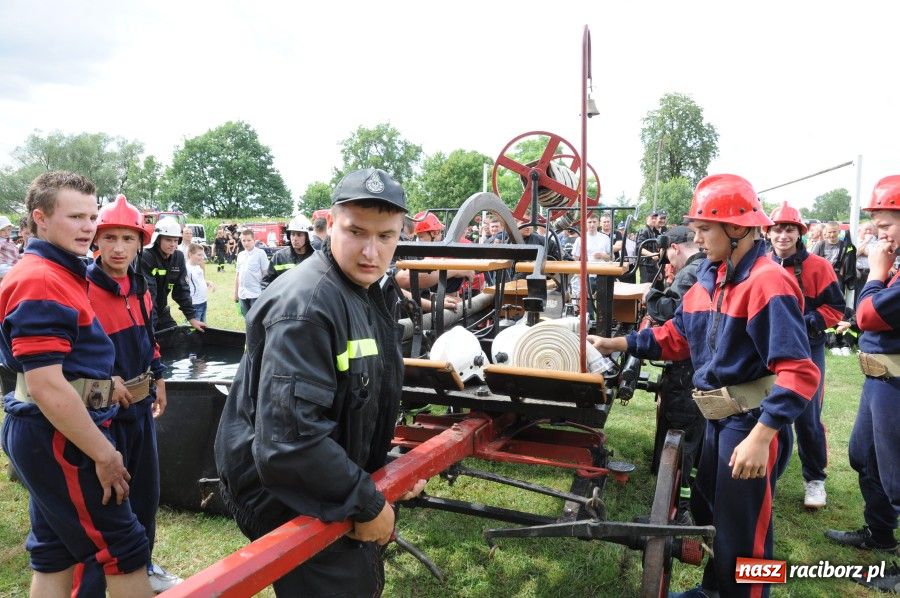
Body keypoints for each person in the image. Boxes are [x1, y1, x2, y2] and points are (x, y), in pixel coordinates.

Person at [590, 174, 819, 598]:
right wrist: (617, 342)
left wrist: (760, 437)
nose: (696, 239)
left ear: (737, 229)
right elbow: (676, 336)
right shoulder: (711, 279)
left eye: (703, 229)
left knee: (746, 541)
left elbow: (800, 372)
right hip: (716, 421)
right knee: (711, 517)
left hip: (750, 426)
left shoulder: (768, 283)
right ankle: (715, 591)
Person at [214, 168, 426, 597]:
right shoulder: (307, 307)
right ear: (330, 224)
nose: (371, 251)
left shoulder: (361, 289)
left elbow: (351, 394)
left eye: (386, 237)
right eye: (356, 232)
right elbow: (290, 442)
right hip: (280, 488)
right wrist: (365, 500)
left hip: (310, 472)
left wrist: (381, 463)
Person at [0, 171, 153, 597]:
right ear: (40, 219)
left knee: (54, 551)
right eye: (75, 217)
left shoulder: (59, 271)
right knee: (123, 548)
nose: (88, 227)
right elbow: (47, 385)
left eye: (91, 216)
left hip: (47, 429)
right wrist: (104, 454)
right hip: (58, 434)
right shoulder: (42, 279)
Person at [79, 194, 182, 595]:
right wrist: (105, 383)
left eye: (127, 238)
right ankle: (106, 575)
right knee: (110, 496)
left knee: (146, 492)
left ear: (141, 242)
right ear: (96, 242)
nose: (118, 248)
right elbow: (74, 354)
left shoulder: (140, 287)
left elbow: (147, 336)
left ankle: (144, 565)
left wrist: (158, 377)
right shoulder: (82, 289)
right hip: (103, 415)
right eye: (109, 238)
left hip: (140, 408)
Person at [826, 176, 900, 593]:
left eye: (886, 224)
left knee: (898, 477)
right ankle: (880, 531)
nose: (878, 233)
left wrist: (875, 272)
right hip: (880, 377)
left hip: (896, 382)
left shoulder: (890, 267)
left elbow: (869, 314)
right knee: (863, 456)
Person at [766, 201, 845, 509]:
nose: (782, 235)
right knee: (772, 414)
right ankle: (770, 476)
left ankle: (815, 479)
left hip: (807, 349)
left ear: (799, 233)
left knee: (808, 418)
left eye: (789, 230)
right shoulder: (762, 265)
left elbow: (836, 308)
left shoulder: (819, 267)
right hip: (771, 349)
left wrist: (807, 321)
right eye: (777, 230)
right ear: (768, 233)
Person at [642, 225, 705, 513]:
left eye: (668, 254)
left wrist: (648, 296)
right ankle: (673, 478)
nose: (668, 261)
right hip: (696, 361)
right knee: (693, 429)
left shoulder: (692, 271)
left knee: (681, 425)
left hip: (687, 367)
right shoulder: (704, 266)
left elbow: (667, 309)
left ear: (676, 248)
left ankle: (679, 502)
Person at [140, 216, 205, 333]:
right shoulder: (146, 257)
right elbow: (149, 295)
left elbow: (182, 290)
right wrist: (150, 329)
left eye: (175, 240)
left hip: (162, 311)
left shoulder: (178, 257)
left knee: (175, 339)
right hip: (144, 313)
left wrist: (191, 318)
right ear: (158, 239)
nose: (172, 244)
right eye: (168, 240)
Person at [262, 214, 315, 288]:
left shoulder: (315, 257)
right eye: (292, 234)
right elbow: (266, 283)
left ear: (308, 237)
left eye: (299, 235)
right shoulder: (279, 257)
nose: (295, 238)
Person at [233, 228, 269, 316]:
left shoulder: (260, 253)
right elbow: (238, 275)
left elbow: (266, 274)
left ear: (254, 240)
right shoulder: (240, 255)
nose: (246, 243)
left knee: (256, 320)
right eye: (243, 240)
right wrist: (236, 293)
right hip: (242, 294)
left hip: (256, 294)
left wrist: (265, 293)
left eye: (249, 240)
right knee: (246, 319)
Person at [186, 243, 214, 323]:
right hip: (194, 304)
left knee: (203, 327)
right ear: (190, 254)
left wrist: (208, 283)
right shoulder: (187, 269)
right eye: (199, 255)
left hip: (203, 301)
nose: (202, 257)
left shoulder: (198, 266)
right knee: (193, 330)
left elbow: (200, 281)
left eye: (202, 255)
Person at [635, 212, 661, 285]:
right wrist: (651, 255)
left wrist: (657, 268)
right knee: (646, 287)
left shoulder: (653, 232)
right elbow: (639, 247)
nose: (654, 220)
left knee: (652, 286)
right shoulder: (644, 230)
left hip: (652, 265)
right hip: (646, 265)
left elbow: (654, 251)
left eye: (655, 218)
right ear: (647, 219)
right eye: (652, 218)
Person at [0, 214, 20, 278]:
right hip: (4, 265)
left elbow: (15, 253)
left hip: (12, 263)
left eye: (8, 229)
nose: (6, 232)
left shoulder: (9, 240)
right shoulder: (1, 241)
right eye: (3, 230)